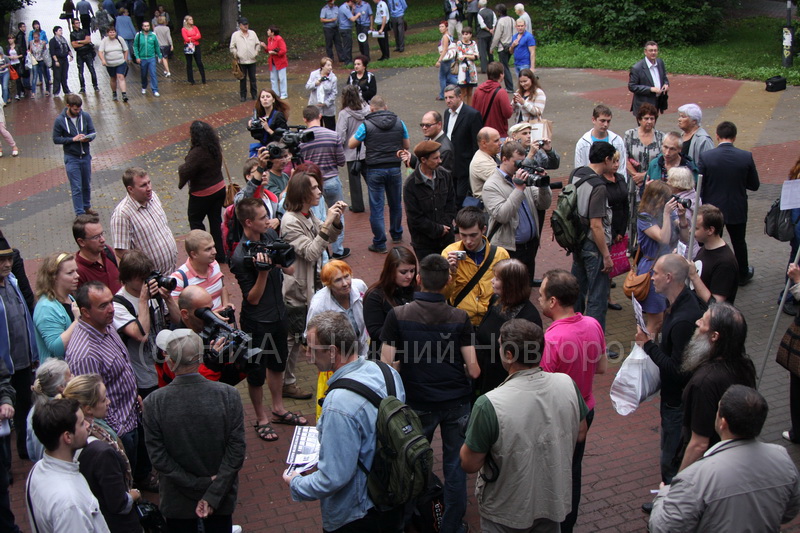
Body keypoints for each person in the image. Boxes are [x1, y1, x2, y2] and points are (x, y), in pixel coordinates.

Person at [381, 254, 480, 533]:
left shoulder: (398, 316)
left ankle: (410, 522)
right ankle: (452, 526)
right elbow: (474, 370)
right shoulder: (460, 317)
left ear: (418, 279)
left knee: (412, 464)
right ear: (448, 281)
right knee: (455, 467)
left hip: (417, 402)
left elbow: (386, 366)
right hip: (456, 403)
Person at [462, 318, 587, 533]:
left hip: (507, 510)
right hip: (551, 501)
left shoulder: (489, 404)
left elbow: (469, 463)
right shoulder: (567, 384)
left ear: (509, 354)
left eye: (500, 345)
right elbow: (581, 432)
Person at [284, 311, 406, 531]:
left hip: (356, 513)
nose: (308, 356)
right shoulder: (386, 372)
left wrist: (296, 483)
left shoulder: (338, 404)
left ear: (332, 351)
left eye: (312, 349)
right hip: (392, 495)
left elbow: (333, 478)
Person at [650, 385, 800, 532]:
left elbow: (662, 527)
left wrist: (664, 495)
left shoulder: (696, 476)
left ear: (723, 423)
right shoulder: (782, 458)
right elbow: (789, 511)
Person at [144, 329, 246, 533]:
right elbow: (236, 452)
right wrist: (212, 491)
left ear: (170, 361)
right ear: (200, 359)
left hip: (178, 499)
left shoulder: (153, 403)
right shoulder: (229, 395)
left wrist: (196, 484)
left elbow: (158, 458)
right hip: (219, 496)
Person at [231, 197, 306, 442]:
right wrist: (263, 272)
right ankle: (261, 418)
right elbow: (252, 299)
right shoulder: (240, 256)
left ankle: (278, 409)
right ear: (248, 222)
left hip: (278, 314)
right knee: (256, 372)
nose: (269, 220)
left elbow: (290, 269)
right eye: (263, 217)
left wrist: (278, 259)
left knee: (277, 364)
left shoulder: (269, 235)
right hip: (257, 322)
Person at [538, 269, 606, 532]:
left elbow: (544, 389)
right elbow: (601, 367)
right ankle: (568, 523)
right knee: (573, 470)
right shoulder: (593, 324)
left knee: (555, 472)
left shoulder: (551, 339)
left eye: (541, 295)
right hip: (586, 409)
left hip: (560, 416)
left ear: (553, 301)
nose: (539, 300)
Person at [634, 255, 702, 510]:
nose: (651, 277)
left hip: (677, 402)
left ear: (669, 277)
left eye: (656, 273)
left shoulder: (684, 318)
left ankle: (670, 508)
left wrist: (648, 346)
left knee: (671, 458)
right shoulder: (676, 303)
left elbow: (678, 369)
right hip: (674, 399)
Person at [280, 172, 344, 399]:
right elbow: (311, 252)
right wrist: (326, 224)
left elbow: (329, 238)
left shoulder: (306, 214)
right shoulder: (290, 222)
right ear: (303, 193)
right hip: (298, 291)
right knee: (294, 339)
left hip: (311, 286)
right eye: (315, 188)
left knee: (297, 338)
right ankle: (285, 383)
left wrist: (335, 221)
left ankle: (286, 381)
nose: (319, 191)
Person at [66, 281, 140, 472]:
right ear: (85, 312)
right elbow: (90, 404)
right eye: (103, 305)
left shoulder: (106, 325)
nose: (111, 309)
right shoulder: (85, 354)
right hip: (120, 429)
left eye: (111, 302)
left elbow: (122, 366)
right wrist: (119, 431)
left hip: (131, 414)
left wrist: (134, 395)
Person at [677, 302, 757, 473]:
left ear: (714, 336)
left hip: (709, 467)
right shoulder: (745, 365)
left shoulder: (704, 382)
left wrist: (679, 481)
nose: (697, 322)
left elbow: (699, 444)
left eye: (703, 321)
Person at [63, 374, 142, 533]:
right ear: (88, 409)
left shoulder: (82, 431)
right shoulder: (100, 451)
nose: (108, 401)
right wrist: (134, 495)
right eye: (103, 399)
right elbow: (118, 503)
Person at [27, 398, 109, 532]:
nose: (88, 425)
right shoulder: (70, 504)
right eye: (82, 423)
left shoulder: (37, 469)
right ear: (67, 437)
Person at [698, 121, 760, 286]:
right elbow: (754, 185)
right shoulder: (745, 156)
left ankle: (706, 271)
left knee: (709, 241)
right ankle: (742, 274)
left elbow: (700, 184)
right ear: (734, 137)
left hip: (712, 209)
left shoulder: (706, 157)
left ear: (717, 136)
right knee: (739, 241)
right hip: (736, 207)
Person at [113, 250, 180, 400]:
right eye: (141, 279)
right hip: (145, 377)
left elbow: (178, 320)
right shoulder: (118, 304)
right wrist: (143, 300)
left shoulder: (154, 292)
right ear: (127, 279)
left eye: (147, 276)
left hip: (167, 369)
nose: (147, 282)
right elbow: (140, 335)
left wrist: (168, 298)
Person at [483, 141, 551, 285]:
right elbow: (502, 215)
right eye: (517, 163)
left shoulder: (524, 177)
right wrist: (518, 189)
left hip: (530, 246)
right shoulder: (491, 185)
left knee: (526, 287)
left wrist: (543, 186)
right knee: (511, 290)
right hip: (510, 250)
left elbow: (544, 204)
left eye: (522, 162)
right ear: (504, 159)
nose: (520, 167)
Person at [349, 95, 410, 253]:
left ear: (371, 109)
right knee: (395, 203)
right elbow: (407, 144)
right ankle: (396, 234)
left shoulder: (366, 125)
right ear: (386, 107)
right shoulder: (399, 122)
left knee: (377, 207)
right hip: (394, 168)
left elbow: (351, 144)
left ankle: (380, 242)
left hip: (375, 169)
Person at [474, 259, 541, 393]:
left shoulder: (528, 317)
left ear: (510, 284)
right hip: (482, 375)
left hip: (503, 383)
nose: (492, 281)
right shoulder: (496, 300)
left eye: (497, 279)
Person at [0, 236, 39, 463]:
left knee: (24, 403)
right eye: (2, 261)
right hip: (4, 364)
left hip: (22, 359)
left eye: (8, 259)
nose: (7, 264)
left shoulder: (12, 282)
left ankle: (25, 447)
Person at [570, 141, 615, 332]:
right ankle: (594, 340)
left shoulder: (576, 173)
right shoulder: (598, 186)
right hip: (593, 246)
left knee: (576, 291)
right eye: (613, 160)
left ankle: (573, 331)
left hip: (576, 241)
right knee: (597, 296)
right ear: (606, 159)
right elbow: (596, 225)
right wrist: (606, 255)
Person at [636, 180, 688, 335]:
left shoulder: (670, 214)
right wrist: (666, 214)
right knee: (656, 321)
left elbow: (686, 238)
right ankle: (643, 348)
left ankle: (656, 347)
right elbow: (663, 238)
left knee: (667, 318)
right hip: (653, 270)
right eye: (666, 198)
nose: (669, 201)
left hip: (670, 270)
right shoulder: (644, 218)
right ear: (656, 199)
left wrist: (682, 218)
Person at [443, 206, 510, 325]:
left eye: (473, 235)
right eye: (463, 235)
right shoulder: (449, 253)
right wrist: (451, 273)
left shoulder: (500, 254)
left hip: (491, 318)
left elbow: (509, 290)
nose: (468, 241)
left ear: (483, 230)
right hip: (462, 320)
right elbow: (444, 295)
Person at [300, 105, 348, 258]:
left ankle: (321, 250)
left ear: (304, 119)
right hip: (332, 180)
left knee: (317, 218)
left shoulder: (300, 139)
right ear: (320, 116)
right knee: (338, 214)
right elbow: (341, 161)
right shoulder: (333, 135)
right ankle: (338, 250)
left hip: (311, 184)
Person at [111, 167, 178, 275]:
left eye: (149, 182)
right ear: (130, 189)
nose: (149, 188)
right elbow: (121, 251)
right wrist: (144, 273)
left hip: (172, 271)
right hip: (151, 279)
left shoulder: (153, 197)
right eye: (143, 185)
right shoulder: (122, 215)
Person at [178, 121, 226, 258]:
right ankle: (220, 253)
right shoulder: (214, 147)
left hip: (202, 194)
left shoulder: (197, 152)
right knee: (216, 221)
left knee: (196, 221)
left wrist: (181, 169)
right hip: (219, 188)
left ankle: (202, 251)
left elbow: (186, 170)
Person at [404, 140, 457, 260]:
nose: (440, 161)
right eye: (435, 158)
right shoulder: (410, 185)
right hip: (424, 243)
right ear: (423, 160)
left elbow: (451, 204)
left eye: (439, 157)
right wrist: (437, 229)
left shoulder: (445, 176)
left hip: (446, 238)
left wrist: (444, 226)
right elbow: (414, 217)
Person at [306, 260, 369, 358]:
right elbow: (310, 334)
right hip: (339, 356)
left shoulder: (360, 286)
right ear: (328, 284)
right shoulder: (319, 305)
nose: (345, 283)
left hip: (364, 349)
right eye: (338, 280)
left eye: (346, 276)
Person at [363, 246, 417, 358]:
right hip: (385, 356)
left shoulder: (416, 288)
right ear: (391, 271)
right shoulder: (375, 296)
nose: (409, 276)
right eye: (403, 272)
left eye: (412, 271)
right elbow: (375, 332)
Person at [687, 204, 739, 305]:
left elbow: (715, 304)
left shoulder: (725, 263)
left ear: (710, 230)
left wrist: (694, 276)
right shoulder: (705, 248)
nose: (690, 231)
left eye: (696, 228)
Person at [53, 94, 96, 217]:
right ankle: (80, 213)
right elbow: (56, 139)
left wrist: (88, 138)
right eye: (75, 109)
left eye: (79, 109)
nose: (78, 111)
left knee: (86, 184)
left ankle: (86, 207)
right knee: (77, 187)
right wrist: (72, 139)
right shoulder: (60, 120)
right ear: (68, 106)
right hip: (72, 158)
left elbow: (92, 132)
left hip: (85, 156)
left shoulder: (85, 116)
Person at [33, 253, 81, 362]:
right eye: (70, 273)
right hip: (56, 371)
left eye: (76, 271)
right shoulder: (46, 308)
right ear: (54, 277)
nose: (77, 275)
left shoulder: (69, 297)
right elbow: (57, 349)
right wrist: (77, 321)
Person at [170, 230, 232, 312]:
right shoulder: (179, 279)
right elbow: (178, 315)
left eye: (213, 246)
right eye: (208, 249)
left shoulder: (214, 264)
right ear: (194, 254)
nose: (214, 252)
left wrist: (226, 306)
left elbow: (222, 287)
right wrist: (212, 316)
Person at [443, 84, 483, 206]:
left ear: (460, 97)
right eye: (446, 98)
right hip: (449, 166)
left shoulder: (472, 115)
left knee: (461, 200)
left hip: (464, 167)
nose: (448, 101)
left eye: (451, 97)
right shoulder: (447, 113)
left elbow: (476, 144)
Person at [26, 359, 72, 462]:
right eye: (70, 376)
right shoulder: (63, 413)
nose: (74, 377)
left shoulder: (33, 412)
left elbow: (31, 453)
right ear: (61, 388)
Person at [336, 85, 370, 213]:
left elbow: (340, 135)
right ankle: (377, 201)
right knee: (370, 178)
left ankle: (357, 206)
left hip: (351, 153)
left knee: (354, 182)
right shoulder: (367, 109)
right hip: (367, 150)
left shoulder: (344, 114)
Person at [603, 150, 629, 310]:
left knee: (614, 262)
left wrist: (621, 231)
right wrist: (612, 233)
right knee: (606, 264)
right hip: (607, 229)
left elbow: (626, 206)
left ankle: (607, 293)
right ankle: (606, 297)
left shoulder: (620, 178)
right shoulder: (600, 182)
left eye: (618, 161)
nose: (616, 165)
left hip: (619, 226)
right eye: (613, 161)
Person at [73, 214, 121, 297]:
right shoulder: (78, 271)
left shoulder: (107, 251)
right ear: (81, 242)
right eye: (96, 237)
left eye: (102, 234)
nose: (103, 240)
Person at [575, 104, 628, 179]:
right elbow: (579, 170)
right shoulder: (583, 143)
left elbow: (622, 168)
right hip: (592, 183)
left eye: (608, 121)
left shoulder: (617, 141)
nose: (605, 124)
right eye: (602, 121)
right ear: (593, 120)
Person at [625, 103, 664, 187]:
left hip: (653, 181)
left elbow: (662, 160)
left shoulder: (661, 137)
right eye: (646, 118)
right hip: (633, 181)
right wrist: (636, 176)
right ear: (639, 120)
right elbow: (624, 157)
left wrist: (644, 175)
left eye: (652, 118)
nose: (649, 121)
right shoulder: (630, 135)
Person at [629, 41, 669, 117]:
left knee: (653, 123)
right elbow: (632, 86)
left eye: (655, 50)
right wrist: (650, 89)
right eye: (651, 50)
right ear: (645, 52)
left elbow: (664, 77)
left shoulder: (660, 63)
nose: (653, 53)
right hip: (644, 105)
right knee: (645, 124)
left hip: (657, 102)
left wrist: (666, 84)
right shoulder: (637, 68)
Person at [473, 62, 512, 138]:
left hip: (482, 133)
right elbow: (507, 113)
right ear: (501, 75)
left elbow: (474, 111)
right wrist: (512, 106)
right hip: (498, 133)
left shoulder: (478, 90)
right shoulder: (501, 92)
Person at [248, 89, 290, 156]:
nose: (265, 99)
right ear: (260, 101)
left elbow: (283, 138)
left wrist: (268, 129)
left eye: (268, 96)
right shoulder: (260, 116)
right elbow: (258, 136)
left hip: (276, 150)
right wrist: (251, 127)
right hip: (265, 149)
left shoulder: (278, 115)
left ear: (273, 100)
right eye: (262, 97)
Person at [229, 17, 261, 102]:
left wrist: (256, 52)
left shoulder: (252, 33)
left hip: (252, 60)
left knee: (253, 78)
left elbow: (258, 44)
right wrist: (237, 54)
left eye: (247, 24)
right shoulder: (235, 35)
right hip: (241, 61)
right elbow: (232, 47)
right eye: (244, 24)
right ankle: (243, 95)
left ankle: (254, 94)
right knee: (242, 79)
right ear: (240, 25)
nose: (246, 26)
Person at [98, 26, 130, 102]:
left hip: (120, 62)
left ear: (115, 33)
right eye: (110, 32)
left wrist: (125, 60)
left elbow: (126, 50)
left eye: (113, 32)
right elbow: (100, 52)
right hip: (110, 64)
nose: (112, 34)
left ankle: (124, 94)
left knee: (121, 77)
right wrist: (103, 60)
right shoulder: (104, 41)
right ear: (107, 33)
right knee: (113, 78)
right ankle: (114, 93)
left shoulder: (120, 39)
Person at [305, 57, 338, 129]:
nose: (330, 67)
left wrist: (326, 103)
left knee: (330, 129)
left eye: (331, 65)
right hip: (315, 107)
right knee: (316, 129)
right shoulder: (313, 74)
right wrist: (315, 83)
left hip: (328, 109)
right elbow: (307, 86)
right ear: (322, 66)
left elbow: (334, 93)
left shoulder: (333, 78)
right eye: (328, 65)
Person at [468, 126, 500, 199]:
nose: (500, 143)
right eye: (496, 141)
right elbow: (503, 180)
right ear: (484, 143)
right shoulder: (481, 162)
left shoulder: (492, 154)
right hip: (489, 204)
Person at [133, 21, 162, 97]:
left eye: (148, 26)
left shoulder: (153, 35)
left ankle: (155, 89)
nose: (146, 27)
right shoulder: (138, 35)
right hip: (142, 58)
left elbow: (156, 46)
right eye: (145, 26)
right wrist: (137, 56)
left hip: (151, 57)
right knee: (144, 74)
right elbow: (135, 46)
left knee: (153, 73)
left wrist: (159, 56)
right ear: (142, 27)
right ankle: (144, 86)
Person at [70, 19, 99, 93]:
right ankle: (82, 87)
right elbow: (74, 45)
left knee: (92, 70)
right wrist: (84, 43)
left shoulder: (84, 31)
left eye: (78, 22)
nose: (78, 24)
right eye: (76, 23)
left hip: (88, 53)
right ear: (73, 25)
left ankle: (95, 85)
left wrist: (79, 42)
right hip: (80, 54)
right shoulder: (72, 34)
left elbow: (88, 40)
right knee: (80, 72)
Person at [489, 3, 514, 91]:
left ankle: (509, 87)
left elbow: (497, 36)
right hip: (510, 46)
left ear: (499, 12)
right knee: (506, 66)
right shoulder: (512, 19)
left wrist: (492, 47)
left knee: (504, 67)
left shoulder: (500, 21)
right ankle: (509, 86)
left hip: (502, 47)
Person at [455, 28, 479, 106]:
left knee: (470, 92)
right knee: (463, 92)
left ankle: (469, 107)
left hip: (472, 69)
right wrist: (470, 56)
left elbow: (476, 56)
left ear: (470, 35)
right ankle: (462, 107)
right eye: (463, 34)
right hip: (463, 69)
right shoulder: (459, 43)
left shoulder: (473, 43)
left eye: (466, 34)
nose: (464, 36)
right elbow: (460, 57)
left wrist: (466, 55)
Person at [435, 21, 458, 101]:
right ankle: (458, 86)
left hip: (446, 59)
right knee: (449, 76)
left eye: (442, 27)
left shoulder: (445, 37)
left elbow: (445, 50)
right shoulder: (450, 35)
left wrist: (439, 60)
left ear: (446, 27)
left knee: (442, 77)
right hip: (451, 58)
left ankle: (442, 94)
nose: (440, 28)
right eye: (440, 27)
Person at [180, 15, 206, 85]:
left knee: (199, 62)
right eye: (190, 19)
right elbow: (186, 39)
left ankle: (203, 78)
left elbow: (199, 36)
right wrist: (194, 37)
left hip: (196, 46)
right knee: (189, 63)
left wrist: (190, 38)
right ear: (187, 21)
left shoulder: (195, 27)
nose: (192, 20)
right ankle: (191, 79)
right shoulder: (184, 29)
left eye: (192, 19)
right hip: (188, 47)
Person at [264, 25, 287, 99]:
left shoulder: (279, 39)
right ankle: (275, 93)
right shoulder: (269, 39)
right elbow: (269, 50)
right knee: (273, 78)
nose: (267, 32)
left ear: (272, 32)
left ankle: (284, 93)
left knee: (282, 78)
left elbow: (283, 50)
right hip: (272, 62)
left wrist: (275, 53)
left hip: (280, 62)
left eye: (268, 30)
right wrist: (265, 47)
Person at [49, 26, 73, 96]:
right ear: (55, 32)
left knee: (64, 75)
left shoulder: (63, 39)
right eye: (59, 30)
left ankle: (66, 90)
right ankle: (56, 91)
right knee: (57, 76)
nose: (61, 32)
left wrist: (71, 55)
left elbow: (68, 48)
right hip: (58, 59)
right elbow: (52, 52)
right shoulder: (53, 41)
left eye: (61, 30)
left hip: (64, 59)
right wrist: (56, 61)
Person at [475, 0, 495, 74]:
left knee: (482, 52)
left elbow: (482, 25)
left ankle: (484, 68)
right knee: (490, 51)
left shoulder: (479, 13)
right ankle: (492, 67)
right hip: (490, 35)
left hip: (482, 34)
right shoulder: (492, 12)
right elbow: (494, 21)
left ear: (479, 5)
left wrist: (488, 29)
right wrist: (492, 29)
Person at [338, 0, 359, 65]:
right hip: (345, 29)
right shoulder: (345, 8)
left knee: (348, 44)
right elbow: (352, 19)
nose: (353, 4)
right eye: (353, 2)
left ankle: (348, 59)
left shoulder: (344, 7)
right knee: (347, 45)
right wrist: (358, 15)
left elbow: (349, 16)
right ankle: (348, 61)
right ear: (349, 1)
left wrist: (353, 9)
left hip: (345, 28)